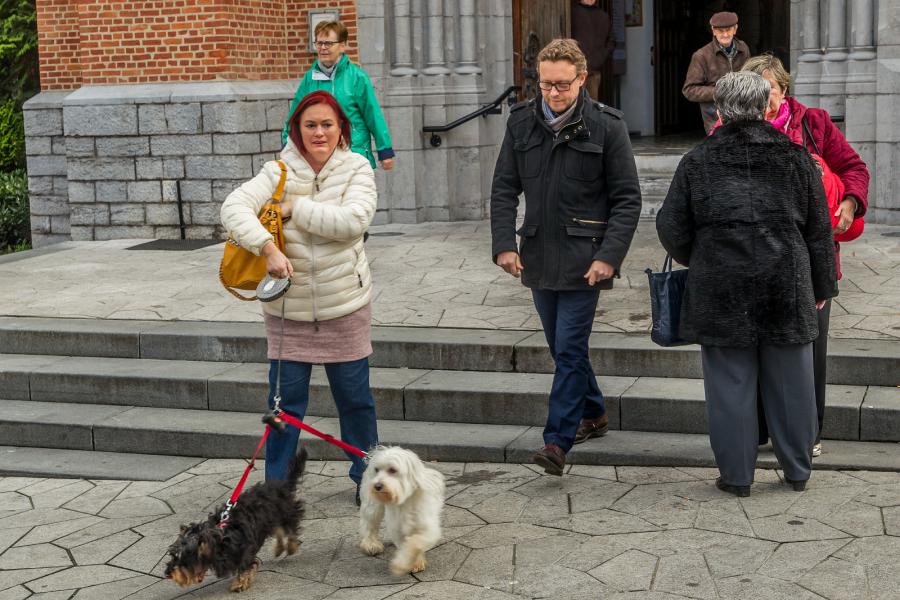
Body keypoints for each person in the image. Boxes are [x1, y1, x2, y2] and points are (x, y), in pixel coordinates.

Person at [656, 71, 838, 496]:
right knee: (793, 383)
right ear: (763, 107)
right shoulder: (796, 159)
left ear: (720, 109)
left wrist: (698, 257)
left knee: (729, 386)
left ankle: (737, 476)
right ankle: (797, 471)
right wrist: (823, 285)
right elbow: (818, 231)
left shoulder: (697, 161)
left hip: (721, 287)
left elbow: (671, 226)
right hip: (787, 284)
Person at [490, 38, 641, 476]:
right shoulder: (521, 122)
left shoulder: (607, 126)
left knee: (570, 348)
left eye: (561, 85)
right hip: (538, 256)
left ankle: (557, 440)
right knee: (562, 347)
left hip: (585, 260)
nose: (553, 94)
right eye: (544, 85)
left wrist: (609, 256)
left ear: (582, 78)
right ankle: (593, 413)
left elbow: (627, 199)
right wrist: (504, 243)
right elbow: (504, 188)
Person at [223, 90, 379, 506]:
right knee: (283, 408)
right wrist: (266, 247)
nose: (319, 132)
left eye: (327, 124)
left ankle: (368, 479)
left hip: (343, 304)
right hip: (287, 311)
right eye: (310, 125)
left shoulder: (357, 167)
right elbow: (233, 207)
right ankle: (276, 491)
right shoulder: (275, 170)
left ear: (341, 128)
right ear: (297, 129)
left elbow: (353, 222)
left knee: (356, 402)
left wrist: (295, 208)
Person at [739, 53, 870, 458]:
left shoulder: (814, 123)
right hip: (755, 258)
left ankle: (808, 431)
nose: (765, 103)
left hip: (811, 260)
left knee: (810, 348)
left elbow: (854, 168)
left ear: (785, 89)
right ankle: (760, 429)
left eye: (771, 92)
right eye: (757, 94)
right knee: (757, 345)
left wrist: (849, 202)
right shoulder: (732, 126)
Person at [282, 20, 395, 171]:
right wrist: (286, 145)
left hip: (353, 153)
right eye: (319, 43)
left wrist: (384, 150)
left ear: (342, 45)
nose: (322, 48)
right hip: (320, 157)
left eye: (328, 43)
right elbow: (294, 115)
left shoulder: (357, 77)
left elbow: (373, 114)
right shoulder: (310, 78)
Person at [682, 11, 750, 132]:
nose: (725, 34)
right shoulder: (701, 55)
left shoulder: (743, 48)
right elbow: (689, 90)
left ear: (735, 29)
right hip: (715, 119)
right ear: (713, 30)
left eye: (728, 30)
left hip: (742, 115)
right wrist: (721, 91)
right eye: (720, 31)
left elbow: (751, 79)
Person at [570, 0, 615, 101]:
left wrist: (598, 59)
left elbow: (611, 42)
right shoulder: (572, 13)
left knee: (590, 110)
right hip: (574, 71)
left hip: (593, 73)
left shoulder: (603, 16)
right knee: (573, 109)